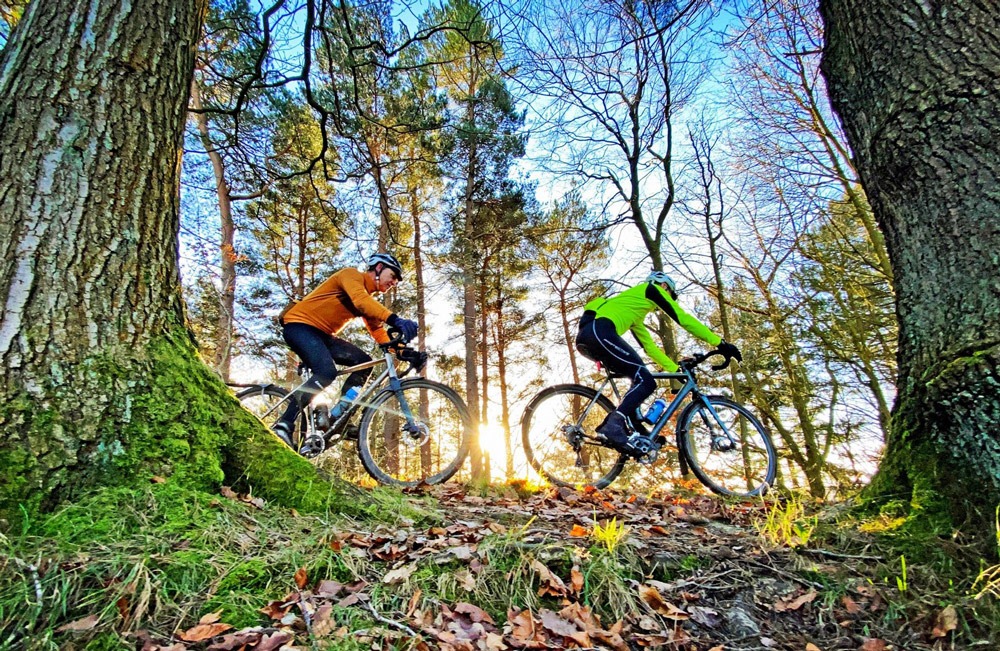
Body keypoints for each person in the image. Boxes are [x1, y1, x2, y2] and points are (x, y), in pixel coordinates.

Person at [574, 271, 741, 453]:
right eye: (671, 295)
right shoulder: (651, 289)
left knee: (639, 377)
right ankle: (613, 425)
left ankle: (637, 430)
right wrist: (720, 343)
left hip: (587, 338)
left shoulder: (634, 311)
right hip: (601, 332)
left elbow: (650, 348)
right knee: (646, 381)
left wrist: (675, 369)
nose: (670, 299)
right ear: (664, 286)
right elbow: (683, 319)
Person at [272, 252, 419, 447]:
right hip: (299, 326)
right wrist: (395, 319)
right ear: (378, 268)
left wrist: (405, 352)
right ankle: (284, 424)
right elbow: (360, 300)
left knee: (364, 363)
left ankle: (336, 417)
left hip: (322, 336)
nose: (394, 282)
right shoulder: (351, 276)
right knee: (326, 372)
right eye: (393, 276)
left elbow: (377, 331)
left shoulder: (366, 298)